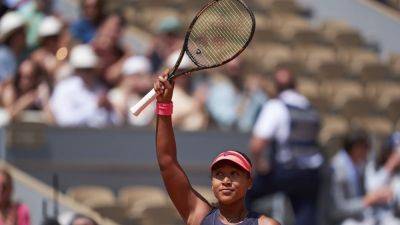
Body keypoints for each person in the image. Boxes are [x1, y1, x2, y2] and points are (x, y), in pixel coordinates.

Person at [153, 72, 280, 225]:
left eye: (234, 174)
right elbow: (167, 162)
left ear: (249, 182)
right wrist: (164, 104)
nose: (226, 181)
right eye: (219, 174)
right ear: (212, 183)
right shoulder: (199, 217)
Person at [246, 69, 323, 225]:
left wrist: (260, 165)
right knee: (306, 216)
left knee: (243, 193)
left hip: (286, 171)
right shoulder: (309, 107)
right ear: (295, 85)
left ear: (276, 87)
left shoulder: (275, 106)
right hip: (311, 173)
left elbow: (256, 145)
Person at [329, 131, 394, 225]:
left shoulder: (356, 166)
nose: (368, 152)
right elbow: (337, 209)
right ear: (356, 147)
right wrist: (367, 201)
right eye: (366, 147)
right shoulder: (338, 169)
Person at [50, 44, 116, 127]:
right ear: (75, 70)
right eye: (83, 70)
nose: (87, 74)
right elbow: (64, 121)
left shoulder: (100, 89)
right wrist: (95, 106)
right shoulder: (63, 89)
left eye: (90, 69)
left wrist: (109, 109)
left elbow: (113, 123)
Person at [364, 131, 400, 224]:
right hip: (370, 216)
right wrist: (390, 165)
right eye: (393, 152)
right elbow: (372, 189)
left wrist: (392, 192)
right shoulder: (373, 167)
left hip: (392, 217)